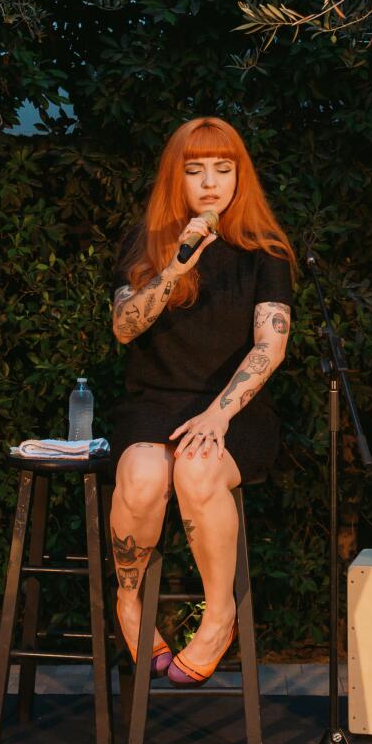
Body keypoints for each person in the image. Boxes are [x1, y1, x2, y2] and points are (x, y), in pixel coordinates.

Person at [107, 117, 295, 686]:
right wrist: (173, 269)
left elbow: (271, 343)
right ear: (176, 179)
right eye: (195, 171)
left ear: (241, 176)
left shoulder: (266, 251)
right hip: (153, 402)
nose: (210, 183)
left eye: (223, 169)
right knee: (141, 477)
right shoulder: (144, 242)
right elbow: (123, 327)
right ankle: (130, 601)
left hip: (235, 411)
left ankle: (218, 616)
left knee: (198, 464)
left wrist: (219, 413)